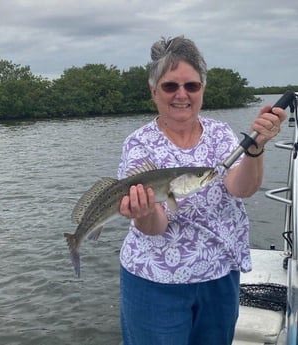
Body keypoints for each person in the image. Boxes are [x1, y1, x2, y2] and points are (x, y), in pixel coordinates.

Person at [117, 35, 287, 345]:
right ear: (154, 91)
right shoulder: (139, 144)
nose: (181, 94)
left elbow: (241, 188)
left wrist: (256, 149)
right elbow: (158, 224)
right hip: (156, 282)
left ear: (202, 90)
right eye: (170, 86)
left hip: (219, 276)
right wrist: (142, 215)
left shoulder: (221, 133)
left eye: (191, 86)